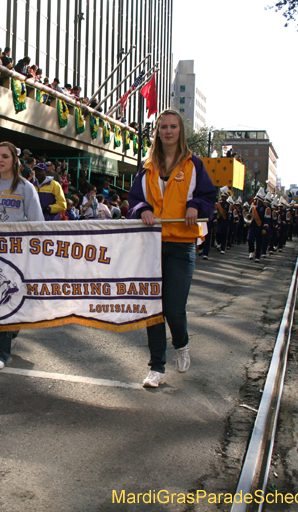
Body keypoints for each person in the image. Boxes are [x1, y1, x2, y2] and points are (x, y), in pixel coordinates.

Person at [127, 109, 215, 388]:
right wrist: (143, 211)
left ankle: (182, 343)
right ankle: (156, 367)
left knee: (174, 310)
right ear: (157, 132)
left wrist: (194, 206)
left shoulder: (194, 165)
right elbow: (134, 199)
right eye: (163, 127)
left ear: (180, 131)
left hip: (181, 244)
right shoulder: (146, 165)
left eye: (173, 126)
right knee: (153, 309)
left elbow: (208, 198)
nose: (168, 131)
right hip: (151, 245)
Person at [0, 142, 44, 370]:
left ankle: (3, 344)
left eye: (5, 156)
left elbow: (37, 223)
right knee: (0, 299)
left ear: (15, 160)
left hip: (18, 252)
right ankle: (1, 349)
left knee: (9, 299)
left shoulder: (26, 188)